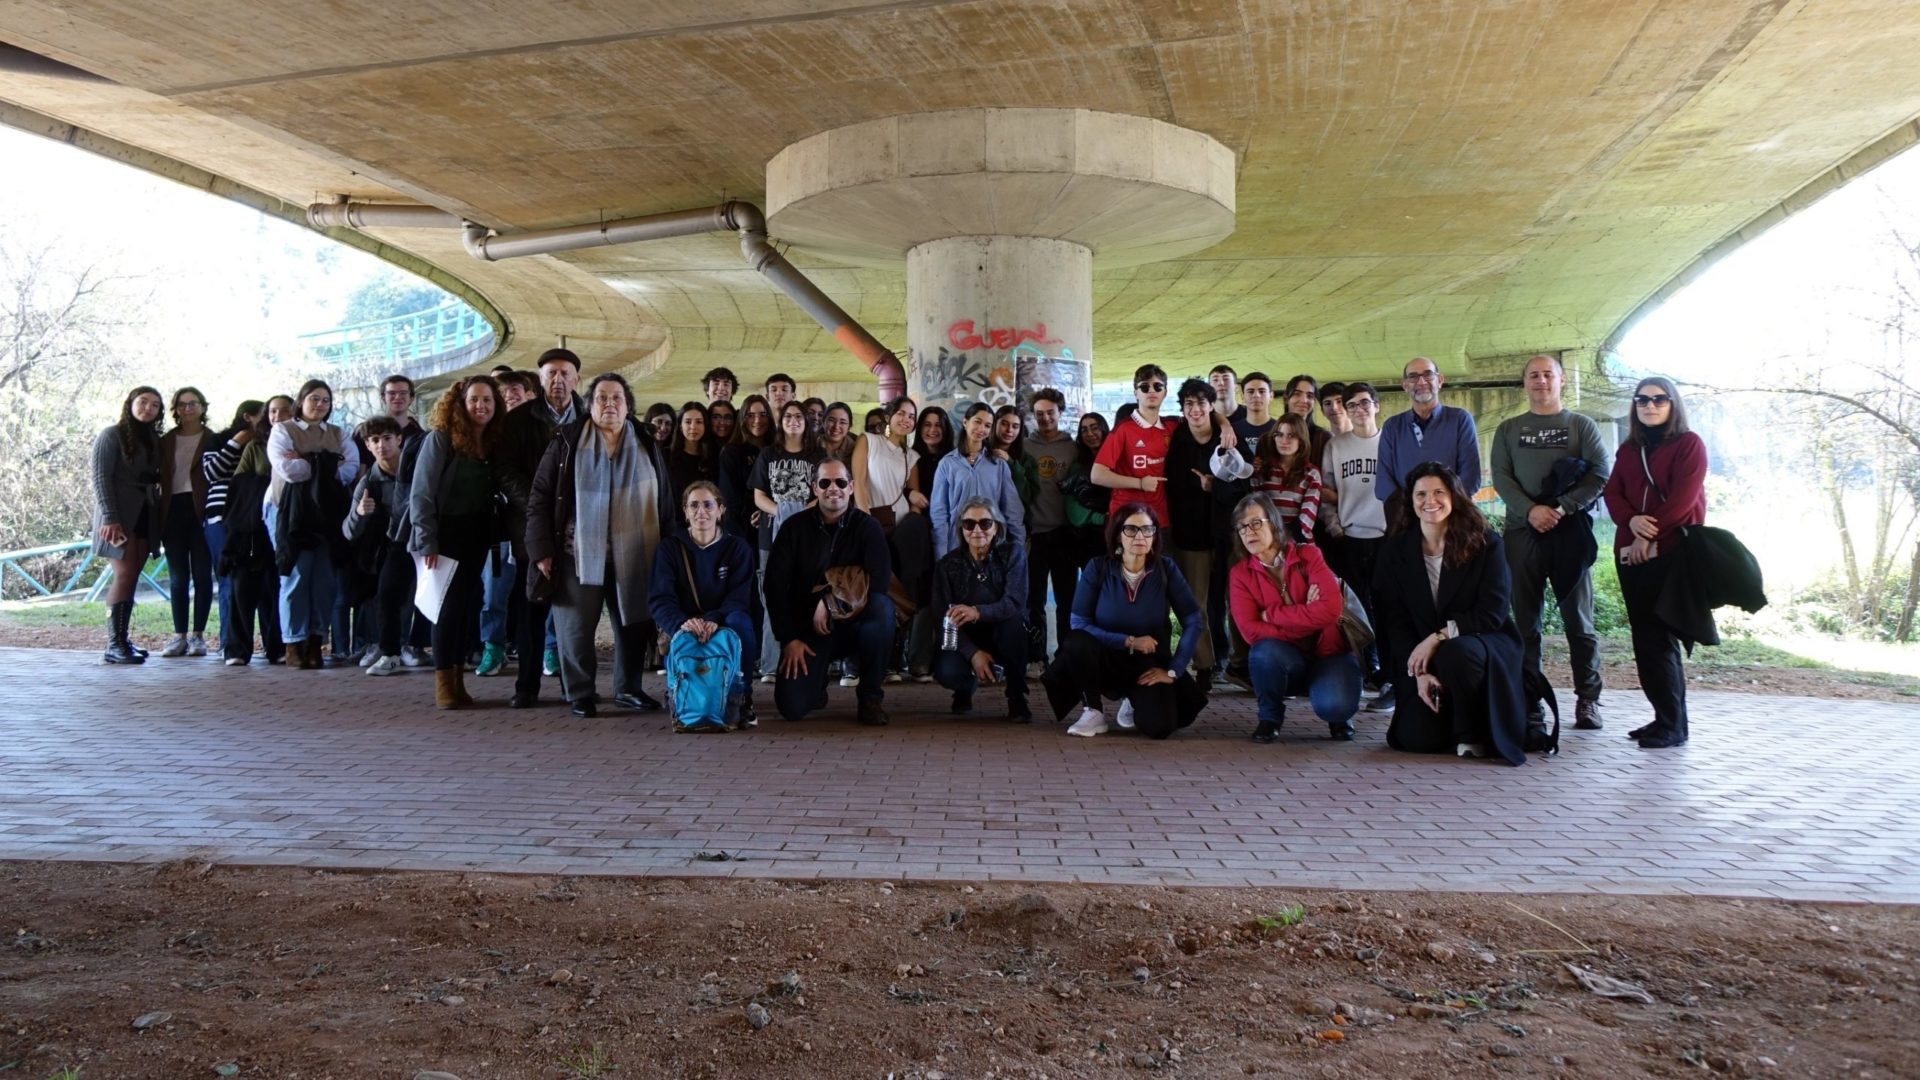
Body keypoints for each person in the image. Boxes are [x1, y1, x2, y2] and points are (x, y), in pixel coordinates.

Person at [528, 373, 671, 718]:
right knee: (575, 627)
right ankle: (580, 692)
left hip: (636, 553)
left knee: (633, 623)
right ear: (590, 405)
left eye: (617, 398)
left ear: (628, 405)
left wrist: (668, 551)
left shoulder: (645, 441)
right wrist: (541, 549)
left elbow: (664, 499)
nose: (609, 404)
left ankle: (628, 689)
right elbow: (541, 496)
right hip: (576, 554)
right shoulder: (567, 440)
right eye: (601, 398)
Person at [1373, 463, 1527, 765]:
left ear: (1454, 496)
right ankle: (1446, 719)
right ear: (1411, 501)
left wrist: (1438, 637)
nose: (1430, 501)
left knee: (1455, 653)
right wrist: (1419, 673)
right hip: (1420, 653)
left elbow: (1492, 613)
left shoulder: (1485, 543)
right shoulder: (1395, 551)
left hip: (1480, 642)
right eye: (1421, 494)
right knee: (1416, 740)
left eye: (1438, 492)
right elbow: (1393, 621)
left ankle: (1472, 729)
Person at [1492, 355, 1612, 735]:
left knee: (1580, 622)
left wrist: (1562, 507)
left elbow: (1600, 472)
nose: (1541, 381)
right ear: (1525, 383)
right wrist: (1531, 511)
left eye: (1548, 374)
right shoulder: (1509, 429)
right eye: (1534, 375)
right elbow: (1501, 477)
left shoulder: (1580, 425)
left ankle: (1588, 698)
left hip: (1569, 534)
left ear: (1561, 380)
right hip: (1522, 534)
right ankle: (1531, 702)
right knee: (1526, 624)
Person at [1601, 377, 1707, 750]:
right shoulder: (1630, 449)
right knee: (1645, 638)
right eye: (1642, 400)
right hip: (1630, 553)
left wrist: (1648, 536)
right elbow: (1612, 492)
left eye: (1660, 399)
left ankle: (1674, 725)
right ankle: (1664, 717)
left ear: (1673, 404)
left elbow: (1683, 499)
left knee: (1662, 639)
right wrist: (1631, 522)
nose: (1650, 405)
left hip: (1671, 551)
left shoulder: (1689, 444)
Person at [1044, 504, 1207, 739]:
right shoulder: (1098, 567)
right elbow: (1079, 622)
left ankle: (1133, 699)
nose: (1140, 536)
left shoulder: (1166, 568)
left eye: (1147, 530)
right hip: (1105, 659)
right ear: (1117, 535)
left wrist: (1174, 669)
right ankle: (1093, 711)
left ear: (1155, 536)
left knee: (1160, 728)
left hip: (1147, 663)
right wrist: (1129, 641)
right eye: (1131, 529)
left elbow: (1193, 619)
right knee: (1077, 641)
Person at [765, 459, 896, 725]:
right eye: (825, 483)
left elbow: (879, 583)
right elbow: (773, 586)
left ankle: (870, 698)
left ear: (851, 487)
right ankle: (817, 681)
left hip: (856, 625)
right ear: (814, 488)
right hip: (810, 631)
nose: (833, 488)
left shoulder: (867, 527)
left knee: (882, 608)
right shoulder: (793, 528)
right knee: (792, 708)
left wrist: (830, 601)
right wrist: (789, 639)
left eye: (840, 482)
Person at [492, 346, 584, 707]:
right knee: (531, 605)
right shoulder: (518, 420)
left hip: (577, 527)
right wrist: (537, 501)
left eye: (565, 373)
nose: (558, 380)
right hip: (531, 526)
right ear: (540, 379)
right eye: (551, 374)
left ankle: (573, 686)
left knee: (574, 610)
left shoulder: (588, 417)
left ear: (577, 379)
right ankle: (526, 686)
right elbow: (503, 469)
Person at [1229, 493, 1363, 742]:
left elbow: (1331, 609)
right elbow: (1250, 631)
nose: (1249, 532)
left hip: (1330, 651)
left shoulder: (1309, 555)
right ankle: (1269, 718)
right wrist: (1309, 617)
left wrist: (1272, 615)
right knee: (1263, 652)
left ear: (1274, 523)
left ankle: (1338, 716)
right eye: (1242, 527)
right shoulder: (1240, 574)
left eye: (1256, 523)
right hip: (1286, 659)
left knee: (1336, 706)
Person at [407, 376, 503, 708]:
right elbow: (421, 494)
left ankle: (459, 681)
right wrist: (427, 542)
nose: (481, 406)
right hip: (444, 535)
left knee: (465, 609)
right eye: (474, 399)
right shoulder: (441, 438)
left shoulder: (491, 441)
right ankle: (444, 684)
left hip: (477, 534)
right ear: (460, 403)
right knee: (446, 609)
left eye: (487, 400)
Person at [650, 480, 757, 727]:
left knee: (740, 621)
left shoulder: (737, 547)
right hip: (686, 621)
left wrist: (714, 619)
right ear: (685, 512)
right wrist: (682, 623)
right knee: (680, 637)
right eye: (694, 505)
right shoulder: (669, 549)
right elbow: (660, 598)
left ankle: (743, 697)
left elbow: (740, 596)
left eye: (708, 505)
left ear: (721, 510)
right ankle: (681, 698)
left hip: (723, 617)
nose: (701, 512)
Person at [268, 378, 359, 669]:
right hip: (292, 514)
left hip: (329, 516)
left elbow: (349, 470)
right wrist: (326, 463)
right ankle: (293, 642)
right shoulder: (283, 430)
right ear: (301, 400)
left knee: (324, 580)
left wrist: (307, 459)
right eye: (314, 398)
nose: (319, 405)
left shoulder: (339, 433)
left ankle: (315, 642)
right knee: (295, 576)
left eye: (325, 400)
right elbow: (288, 469)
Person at [1319, 381, 1390, 708]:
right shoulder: (1336, 447)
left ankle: (1388, 675)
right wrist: (1335, 528)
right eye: (1352, 405)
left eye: (1364, 403)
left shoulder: (1389, 442)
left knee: (1386, 608)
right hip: (1350, 537)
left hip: (1384, 538)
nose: (1359, 410)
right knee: (1354, 610)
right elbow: (1325, 492)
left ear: (1376, 405)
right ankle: (1364, 668)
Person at [931, 496, 1031, 721]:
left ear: (996, 527)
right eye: (969, 524)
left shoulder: (1013, 554)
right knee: (947, 671)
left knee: (1014, 625)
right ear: (962, 529)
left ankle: (1017, 696)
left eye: (985, 523)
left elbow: (1015, 602)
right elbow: (940, 615)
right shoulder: (947, 565)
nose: (977, 530)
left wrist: (977, 611)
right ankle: (964, 688)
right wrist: (972, 653)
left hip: (1003, 632)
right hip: (965, 637)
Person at [750, 400, 823, 679]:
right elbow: (759, 496)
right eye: (788, 416)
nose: (793, 420)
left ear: (807, 422)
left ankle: (807, 662)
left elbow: (822, 493)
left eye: (799, 416)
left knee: (805, 595)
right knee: (771, 597)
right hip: (770, 536)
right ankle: (770, 665)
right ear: (781, 422)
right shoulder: (768, 454)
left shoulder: (817, 455)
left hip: (808, 535)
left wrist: (800, 514)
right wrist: (783, 512)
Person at [91, 386, 164, 664]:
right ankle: (114, 645)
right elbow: (101, 478)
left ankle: (123, 640)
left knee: (132, 575)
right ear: (131, 403)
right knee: (123, 575)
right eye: (143, 402)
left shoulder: (153, 439)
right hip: (118, 514)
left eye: (155, 405)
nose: (148, 408)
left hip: (144, 512)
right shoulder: (111, 435)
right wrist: (110, 517)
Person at [221, 398, 292, 666]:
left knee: (274, 589)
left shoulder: (300, 444)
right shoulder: (255, 446)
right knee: (242, 589)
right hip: (250, 530)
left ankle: (277, 647)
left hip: (285, 527)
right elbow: (239, 484)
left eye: (284, 410)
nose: (278, 415)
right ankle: (237, 651)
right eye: (272, 411)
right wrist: (270, 482)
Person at [1164, 378, 1223, 679]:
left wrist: (1215, 487)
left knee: (1234, 603)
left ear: (1212, 405)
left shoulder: (1227, 437)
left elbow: (1245, 482)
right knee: (1194, 604)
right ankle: (1204, 665)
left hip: (1224, 534)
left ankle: (1240, 664)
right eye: (1189, 403)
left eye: (1201, 402)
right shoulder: (1178, 436)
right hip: (1187, 535)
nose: (1195, 409)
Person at [344, 416, 411, 676]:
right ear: (367, 445)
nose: (382, 445)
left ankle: (455, 651)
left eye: (387, 438)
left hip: (430, 540)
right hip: (397, 543)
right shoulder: (368, 483)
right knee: (387, 595)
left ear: (399, 439)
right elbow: (348, 531)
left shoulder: (418, 467)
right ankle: (390, 653)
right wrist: (360, 513)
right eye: (375, 440)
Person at [200, 398, 266, 662]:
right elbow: (212, 473)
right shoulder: (218, 440)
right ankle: (229, 645)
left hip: (258, 516)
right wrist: (237, 441)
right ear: (248, 416)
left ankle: (273, 645)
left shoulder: (269, 441)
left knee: (264, 580)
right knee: (230, 578)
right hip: (222, 515)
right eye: (265, 414)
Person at [155, 386, 214, 657]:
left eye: (193, 403)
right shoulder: (166, 440)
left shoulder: (213, 439)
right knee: (178, 577)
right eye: (182, 404)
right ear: (175, 409)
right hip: (173, 510)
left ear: (202, 407)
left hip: (202, 509)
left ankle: (198, 637)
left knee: (202, 576)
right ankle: (179, 636)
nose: (188, 408)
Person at [1377, 356, 1481, 508]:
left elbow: (1470, 476)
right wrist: (1412, 509)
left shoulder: (1460, 419)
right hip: (1405, 515)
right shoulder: (1392, 426)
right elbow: (1383, 481)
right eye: (1413, 377)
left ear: (1440, 380)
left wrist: (1440, 509)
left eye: (1428, 375)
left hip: (1452, 513)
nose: (1421, 382)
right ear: (1405, 385)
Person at [1023, 389, 1079, 667]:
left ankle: (1066, 655)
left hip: (1065, 534)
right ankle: (1036, 656)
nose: (1045, 418)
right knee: (1033, 599)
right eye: (1039, 414)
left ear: (1060, 412)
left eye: (1050, 412)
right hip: (1035, 534)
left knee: (1067, 599)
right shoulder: (1025, 446)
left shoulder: (1072, 447)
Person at [930, 403, 1026, 559]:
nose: (982, 429)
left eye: (987, 425)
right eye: (977, 422)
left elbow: (1012, 509)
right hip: (957, 546)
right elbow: (939, 512)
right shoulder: (947, 464)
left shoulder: (998, 464)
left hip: (993, 546)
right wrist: (941, 554)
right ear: (965, 422)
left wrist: (1018, 549)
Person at [905, 405, 955, 681]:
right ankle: (919, 660)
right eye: (927, 424)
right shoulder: (911, 458)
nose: (932, 430)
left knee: (948, 595)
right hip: (920, 536)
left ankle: (948, 659)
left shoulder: (955, 459)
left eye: (938, 425)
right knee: (922, 595)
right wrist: (910, 493)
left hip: (950, 535)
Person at [1092, 364, 1178, 524]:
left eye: (1158, 386)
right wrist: (1139, 483)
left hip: (1159, 517)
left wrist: (1224, 424)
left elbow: (1203, 416)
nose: (1151, 391)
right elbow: (1097, 475)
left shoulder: (1171, 426)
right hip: (1127, 518)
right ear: (1136, 393)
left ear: (1165, 392)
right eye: (1144, 387)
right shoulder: (1123, 429)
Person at [1220, 412, 1321, 542]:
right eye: (1279, 435)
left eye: (1291, 435)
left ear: (1301, 440)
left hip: (1299, 541)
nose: (1284, 441)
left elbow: (1307, 519)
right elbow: (1255, 509)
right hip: (1266, 541)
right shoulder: (1262, 470)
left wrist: (1284, 541)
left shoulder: (1311, 473)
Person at [718, 393, 772, 543]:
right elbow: (730, 498)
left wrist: (767, 511)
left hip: (773, 522)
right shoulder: (731, 452)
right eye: (750, 415)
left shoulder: (776, 449)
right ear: (743, 418)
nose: (757, 420)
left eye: (762, 414)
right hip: (742, 527)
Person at [1059, 411, 1111, 563]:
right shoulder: (1078, 466)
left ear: (1104, 429)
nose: (1090, 434)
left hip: (1118, 535)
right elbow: (1074, 512)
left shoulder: (1119, 461)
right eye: (1084, 430)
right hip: (1089, 539)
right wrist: (1101, 518)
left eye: (1095, 428)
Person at [666, 401, 717, 526]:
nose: (693, 427)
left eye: (699, 422)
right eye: (688, 422)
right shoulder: (666, 456)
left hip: (705, 524)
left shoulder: (714, 457)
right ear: (680, 426)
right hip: (674, 524)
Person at [992, 405, 1033, 506]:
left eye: (1015, 426)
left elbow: (1028, 496)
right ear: (995, 423)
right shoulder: (982, 452)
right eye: (1004, 424)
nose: (1009, 430)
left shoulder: (1027, 460)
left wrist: (1011, 463)